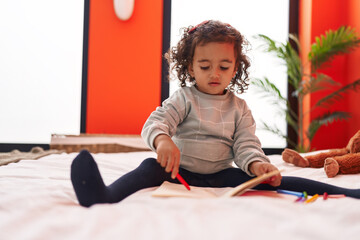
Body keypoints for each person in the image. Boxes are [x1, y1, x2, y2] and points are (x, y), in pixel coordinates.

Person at [71, 20, 360, 207]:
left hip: (221, 174)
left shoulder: (239, 109)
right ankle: (102, 195)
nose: (214, 73)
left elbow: (246, 145)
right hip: (178, 173)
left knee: (274, 179)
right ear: (190, 66)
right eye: (204, 66)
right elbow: (157, 122)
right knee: (147, 168)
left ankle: (350, 194)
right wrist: (162, 140)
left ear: (235, 68)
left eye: (223, 66)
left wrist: (257, 165)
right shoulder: (184, 98)